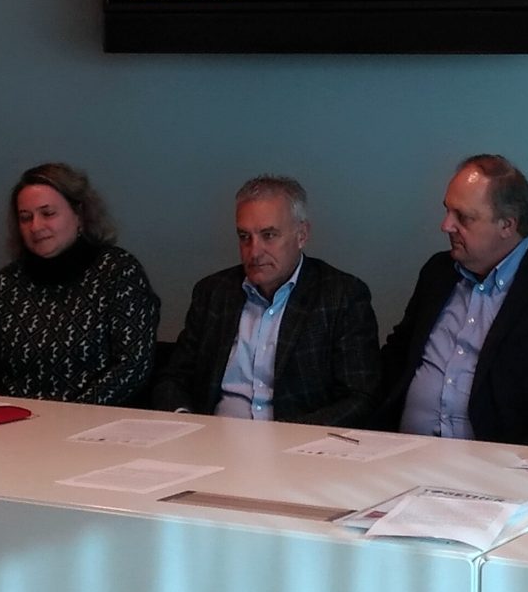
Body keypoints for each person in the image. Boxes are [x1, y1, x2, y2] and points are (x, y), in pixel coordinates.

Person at [372, 154, 528, 447]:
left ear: (507, 225)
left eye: (463, 217)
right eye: (447, 211)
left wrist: (510, 467)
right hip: (399, 451)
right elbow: (396, 357)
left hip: (494, 463)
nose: (446, 225)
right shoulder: (438, 272)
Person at [150, 175, 380, 424]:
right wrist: (186, 422)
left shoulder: (341, 296)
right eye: (244, 237)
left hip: (296, 439)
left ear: (302, 235)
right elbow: (173, 378)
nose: (254, 251)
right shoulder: (214, 292)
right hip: (213, 435)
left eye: (269, 235)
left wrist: (290, 437)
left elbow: (359, 397)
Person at [0, 162, 160, 405]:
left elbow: (132, 365)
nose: (36, 227)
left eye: (48, 214)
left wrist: (70, 414)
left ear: (79, 214)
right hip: (13, 420)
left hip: (94, 421)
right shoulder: (8, 281)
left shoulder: (118, 271)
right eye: (25, 218)